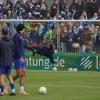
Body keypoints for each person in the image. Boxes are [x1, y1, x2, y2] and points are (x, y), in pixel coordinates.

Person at [13, 24, 29, 95]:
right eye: (24, 29)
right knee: (19, 74)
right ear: (22, 29)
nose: (25, 30)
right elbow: (15, 47)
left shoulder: (20, 36)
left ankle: (21, 91)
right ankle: (5, 85)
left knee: (23, 74)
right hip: (17, 57)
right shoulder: (16, 36)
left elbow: (22, 46)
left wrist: (31, 48)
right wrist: (20, 56)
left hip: (22, 57)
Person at [0, 28, 16, 96]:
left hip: (2, 61)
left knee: (1, 76)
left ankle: (2, 91)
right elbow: (13, 51)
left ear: (2, 33)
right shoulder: (11, 41)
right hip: (9, 61)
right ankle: (13, 91)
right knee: (9, 75)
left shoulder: (1, 41)